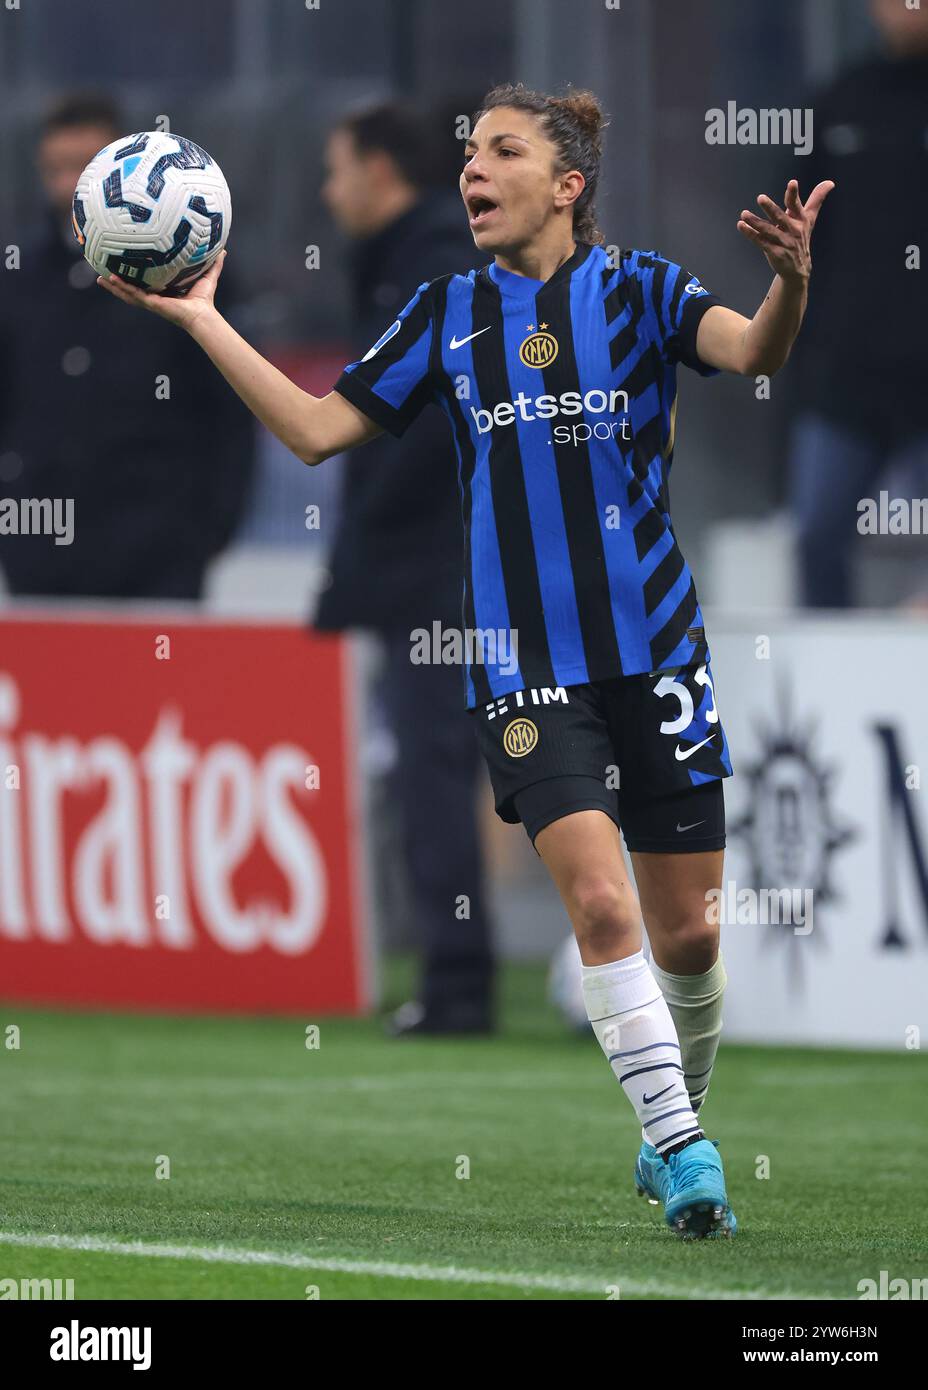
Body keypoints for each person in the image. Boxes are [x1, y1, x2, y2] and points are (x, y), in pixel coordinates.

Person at [96, 82, 833, 1241]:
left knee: (688, 934)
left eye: (502, 152)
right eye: (468, 155)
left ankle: (668, 1120)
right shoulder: (447, 311)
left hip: (655, 651)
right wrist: (200, 320)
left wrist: (789, 278)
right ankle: (687, 1153)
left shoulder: (641, 289)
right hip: (520, 662)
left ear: (568, 183)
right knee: (601, 904)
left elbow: (748, 352)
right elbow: (313, 426)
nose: (472, 173)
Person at [318, 101, 494, 1036]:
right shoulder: (417, 262)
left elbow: (412, 438)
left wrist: (369, 549)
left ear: (381, 170)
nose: (326, 189)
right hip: (455, 568)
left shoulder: (429, 274)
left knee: (438, 771)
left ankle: (459, 986)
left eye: (337, 167)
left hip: (441, 573)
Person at [0, 92, 254, 600]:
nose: (66, 184)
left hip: (158, 559)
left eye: (81, 167)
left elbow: (229, 410)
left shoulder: (191, 271)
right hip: (41, 557)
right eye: (55, 168)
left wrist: (209, 531)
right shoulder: (16, 275)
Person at [786, 0, 928, 607]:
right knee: (817, 533)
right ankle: (825, 681)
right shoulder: (842, 100)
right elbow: (791, 226)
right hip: (847, 370)